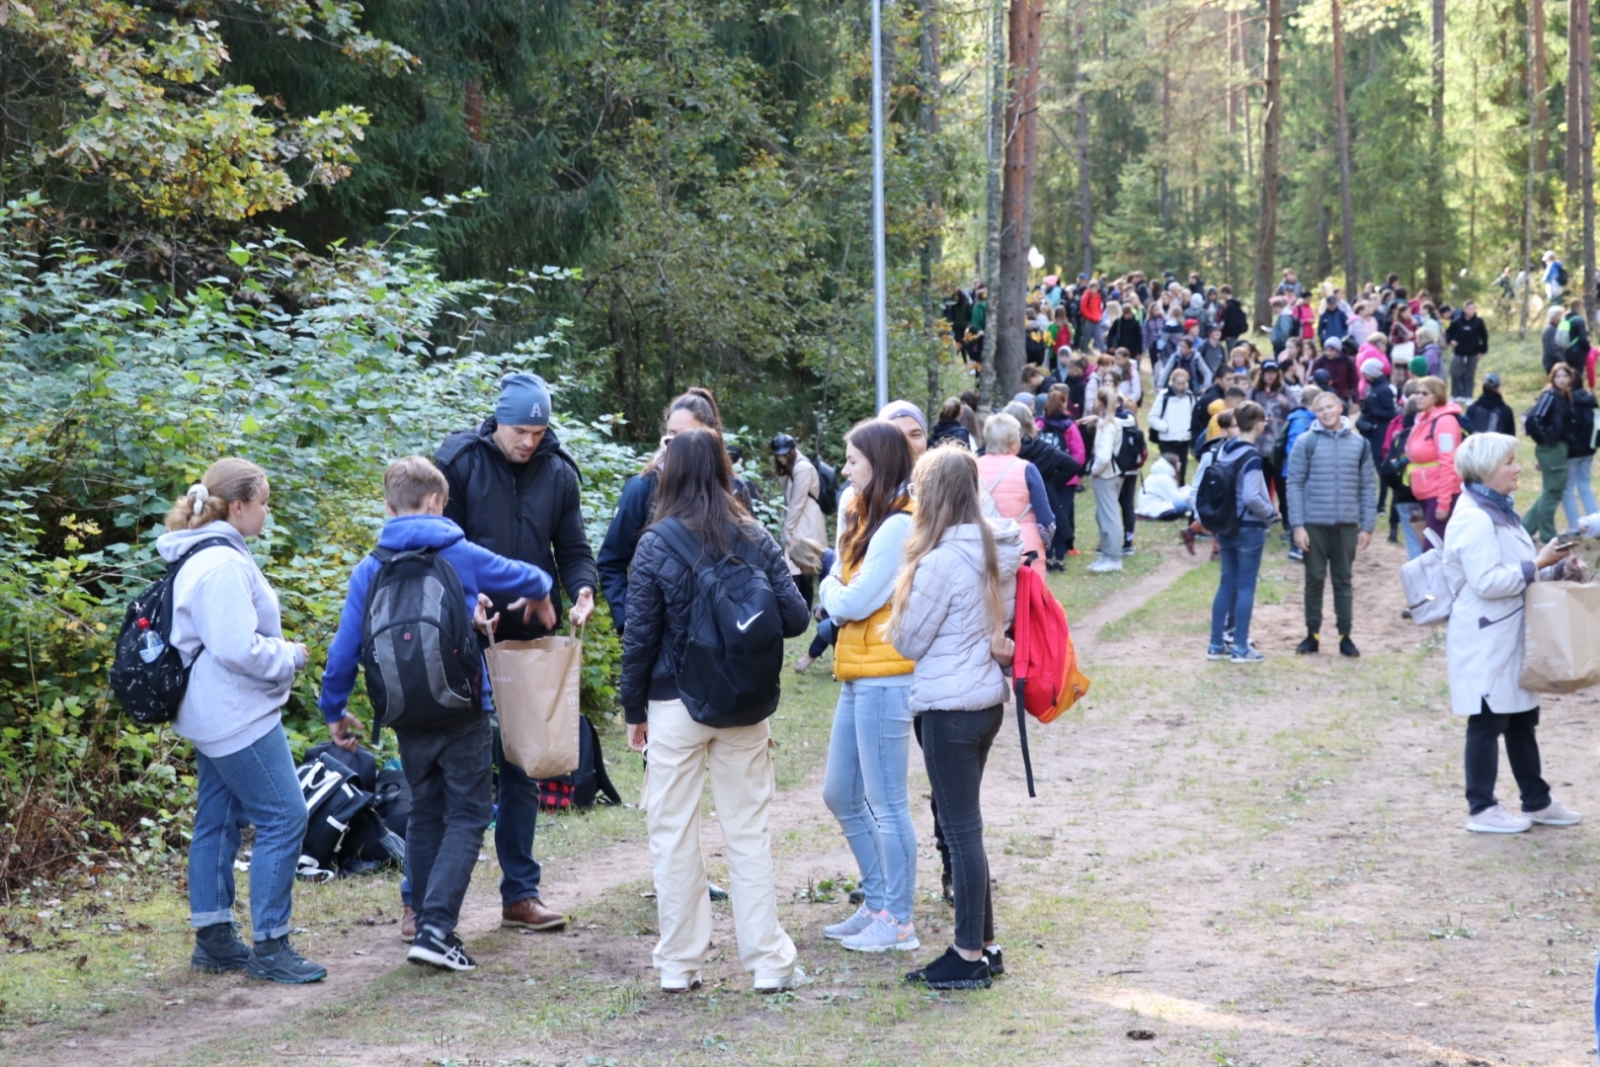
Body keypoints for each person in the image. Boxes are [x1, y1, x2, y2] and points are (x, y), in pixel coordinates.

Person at [318, 458, 557, 972]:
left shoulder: (370, 567)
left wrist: (334, 711)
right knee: (469, 813)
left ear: (388, 507)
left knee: (427, 810)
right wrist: (540, 593)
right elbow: (525, 576)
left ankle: (423, 914)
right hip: (464, 707)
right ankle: (436, 929)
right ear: (436, 502)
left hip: (405, 713)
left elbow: (343, 652)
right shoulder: (460, 553)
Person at [621, 429, 810, 992]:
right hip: (743, 706)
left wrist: (635, 711)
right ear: (724, 469)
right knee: (748, 832)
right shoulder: (753, 535)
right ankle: (770, 964)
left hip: (672, 705)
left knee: (672, 832)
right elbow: (797, 617)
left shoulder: (655, 543)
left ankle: (679, 965)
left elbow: (639, 638)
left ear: (670, 475)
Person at [435, 372, 596, 934]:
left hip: (529, 637)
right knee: (454, 765)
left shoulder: (558, 472)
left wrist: (582, 589)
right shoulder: (460, 464)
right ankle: (421, 903)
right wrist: (464, 598)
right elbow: (438, 547)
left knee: (523, 762)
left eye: (538, 429)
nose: (528, 440)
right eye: (520, 429)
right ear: (498, 420)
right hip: (464, 635)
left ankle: (520, 894)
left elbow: (573, 547)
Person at [157, 459, 323, 984]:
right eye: (264, 501)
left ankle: (214, 939)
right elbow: (236, 647)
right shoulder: (222, 564)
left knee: (218, 819)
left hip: (209, 712)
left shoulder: (202, 553)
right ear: (240, 506)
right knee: (284, 816)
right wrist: (290, 655)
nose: (268, 510)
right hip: (235, 715)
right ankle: (271, 947)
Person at [889, 446, 1022, 990]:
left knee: (960, 830)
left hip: (948, 706)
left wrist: (901, 600)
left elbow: (909, 640)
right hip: (984, 701)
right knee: (967, 826)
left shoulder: (941, 561)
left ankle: (967, 955)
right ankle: (985, 944)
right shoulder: (999, 549)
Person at [1444, 433, 1583, 834]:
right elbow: (1487, 582)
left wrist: (1557, 568)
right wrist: (1540, 560)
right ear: (1486, 469)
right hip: (1487, 633)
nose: (1518, 467)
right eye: (1509, 461)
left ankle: (1536, 801)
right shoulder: (1474, 516)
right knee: (1488, 719)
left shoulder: (1499, 509)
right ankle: (1482, 808)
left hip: (1509, 630)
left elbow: (1519, 568)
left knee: (1521, 716)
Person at [816, 421, 920, 953]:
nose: (848, 469)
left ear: (878, 462)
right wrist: (838, 583)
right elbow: (845, 586)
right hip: (858, 670)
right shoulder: (867, 517)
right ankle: (879, 901)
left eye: (854, 460)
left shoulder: (899, 525)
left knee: (887, 802)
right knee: (840, 792)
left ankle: (899, 921)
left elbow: (850, 600)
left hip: (887, 675)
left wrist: (831, 584)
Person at [598, 389, 746, 638]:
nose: (677, 447)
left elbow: (750, 564)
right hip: (660, 642)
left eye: (687, 437)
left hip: (722, 638)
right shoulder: (643, 488)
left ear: (712, 440)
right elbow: (611, 562)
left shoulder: (733, 491)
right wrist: (630, 622)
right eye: (671, 436)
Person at [1287, 390, 1376, 657]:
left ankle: (1345, 635)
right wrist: (1298, 525)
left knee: (1343, 580)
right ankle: (1312, 634)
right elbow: (1294, 484)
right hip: (1314, 524)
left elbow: (1368, 486)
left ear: (1340, 408)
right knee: (1313, 579)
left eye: (1330, 407)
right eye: (1320, 409)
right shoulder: (1305, 442)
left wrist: (1367, 526)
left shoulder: (1360, 443)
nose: (1326, 412)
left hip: (1347, 524)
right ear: (1315, 414)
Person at [1206, 402, 1278, 664]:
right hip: (1248, 527)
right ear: (1259, 424)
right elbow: (1251, 495)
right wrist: (1270, 514)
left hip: (1225, 524)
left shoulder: (1225, 449)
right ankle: (1240, 648)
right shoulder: (1251, 456)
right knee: (1246, 584)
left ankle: (1216, 644)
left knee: (1227, 583)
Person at [976, 412, 1054, 576]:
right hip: (1025, 548)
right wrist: (1046, 544)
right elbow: (1046, 519)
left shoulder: (972, 467)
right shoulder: (1027, 469)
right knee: (1030, 599)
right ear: (1012, 442)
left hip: (984, 546)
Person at [1403, 376, 1464, 541]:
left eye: (1425, 393)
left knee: (1433, 549)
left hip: (1439, 494)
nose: (1419, 396)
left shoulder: (1444, 422)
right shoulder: (1423, 419)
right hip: (1426, 491)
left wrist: (1443, 502)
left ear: (1436, 396)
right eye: (1417, 393)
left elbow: (1448, 462)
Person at [771, 432, 829, 607]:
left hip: (806, 518)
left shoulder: (802, 467)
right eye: (778, 455)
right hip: (798, 518)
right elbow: (789, 498)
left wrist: (786, 530)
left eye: (785, 454)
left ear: (792, 450)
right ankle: (800, 608)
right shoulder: (792, 467)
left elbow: (797, 501)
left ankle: (802, 608)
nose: (781, 458)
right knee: (796, 566)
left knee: (801, 565)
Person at [1523, 364, 1577, 542]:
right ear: (1552, 378)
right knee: (1552, 493)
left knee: (1551, 491)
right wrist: (1547, 440)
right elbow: (1533, 419)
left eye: (1565, 376)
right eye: (1557, 376)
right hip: (1552, 448)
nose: (1561, 379)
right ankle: (1548, 535)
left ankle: (1525, 529)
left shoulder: (1564, 396)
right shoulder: (1550, 395)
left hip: (1559, 448)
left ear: (1570, 378)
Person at [1081, 388, 1132, 573]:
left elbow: (1103, 456)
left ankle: (1113, 557)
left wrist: (1094, 471)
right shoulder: (1108, 423)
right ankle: (1107, 555)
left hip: (1106, 475)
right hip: (1109, 475)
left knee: (1109, 516)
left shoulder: (1107, 427)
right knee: (1103, 515)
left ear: (1101, 402)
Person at [1038, 387, 1087, 564]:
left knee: (1045, 516)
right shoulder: (1069, 426)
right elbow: (1079, 454)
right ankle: (1060, 556)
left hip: (1043, 479)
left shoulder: (1039, 425)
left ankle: (1047, 555)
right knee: (1063, 515)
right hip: (1066, 479)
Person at [1149, 367, 1198, 485]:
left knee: (1182, 472)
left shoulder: (1190, 397)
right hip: (1167, 440)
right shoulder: (1164, 396)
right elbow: (1152, 417)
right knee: (1168, 471)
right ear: (1173, 382)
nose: (1181, 386)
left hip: (1184, 440)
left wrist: (1189, 430)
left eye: (1183, 383)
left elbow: (1194, 415)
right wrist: (1166, 428)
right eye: (1178, 383)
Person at [1563, 376, 1598, 528]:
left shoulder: (1567, 401)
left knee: (1567, 489)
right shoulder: (1590, 399)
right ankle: (1596, 525)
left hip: (1572, 451)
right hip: (1589, 448)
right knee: (1585, 485)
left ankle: (1574, 526)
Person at [1444, 299, 1489, 399]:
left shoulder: (1479, 322)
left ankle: (1468, 396)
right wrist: (1451, 341)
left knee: (1470, 375)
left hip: (1473, 352)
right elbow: (1448, 333)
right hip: (1459, 352)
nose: (1472, 311)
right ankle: (1454, 394)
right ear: (1464, 309)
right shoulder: (1457, 321)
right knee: (1455, 373)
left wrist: (1482, 351)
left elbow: (1484, 337)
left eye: (1473, 308)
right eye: (1470, 308)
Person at [1465, 372, 1517, 437]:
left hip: (1476, 446)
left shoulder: (1472, 409)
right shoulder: (1506, 411)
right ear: (1498, 387)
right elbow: (1511, 438)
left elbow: (1466, 434)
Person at [1311, 339, 1359, 404]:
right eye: (1326, 350)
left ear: (1338, 350)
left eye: (1331, 350)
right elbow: (1312, 378)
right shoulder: (1320, 361)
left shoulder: (1347, 362)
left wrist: (1355, 400)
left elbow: (1353, 381)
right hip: (1323, 396)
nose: (1328, 353)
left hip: (1342, 398)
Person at [1542, 306, 1566, 373]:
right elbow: (1552, 349)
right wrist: (1563, 360)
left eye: (1562, 313)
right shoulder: (1550, 329)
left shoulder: (1557, 328)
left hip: (1557, 362)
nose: (1562, 316)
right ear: (1552, 316)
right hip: (1553, 362)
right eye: (1559, 314)